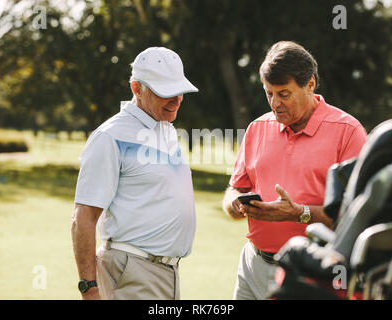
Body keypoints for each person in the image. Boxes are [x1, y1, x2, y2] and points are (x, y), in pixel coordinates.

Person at [222, 41, 368, 300]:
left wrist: (300, 213)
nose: (274, 103)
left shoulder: (348, 132)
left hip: (309, 274)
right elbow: (236, 187)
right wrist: (234, 202)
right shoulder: (257, 128)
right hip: (252, 264)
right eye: (269, 93)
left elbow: (358, 216)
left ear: (310, 84)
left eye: (284, 94)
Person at [71, 47, 199, 300]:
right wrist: (89, 288)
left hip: (166, 272)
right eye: (166, 91)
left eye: (179, 90)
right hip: (132, 271)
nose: (176, 99)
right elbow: (84, 216)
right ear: (136, 88)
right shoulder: (109, 137)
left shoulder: (167, 129)